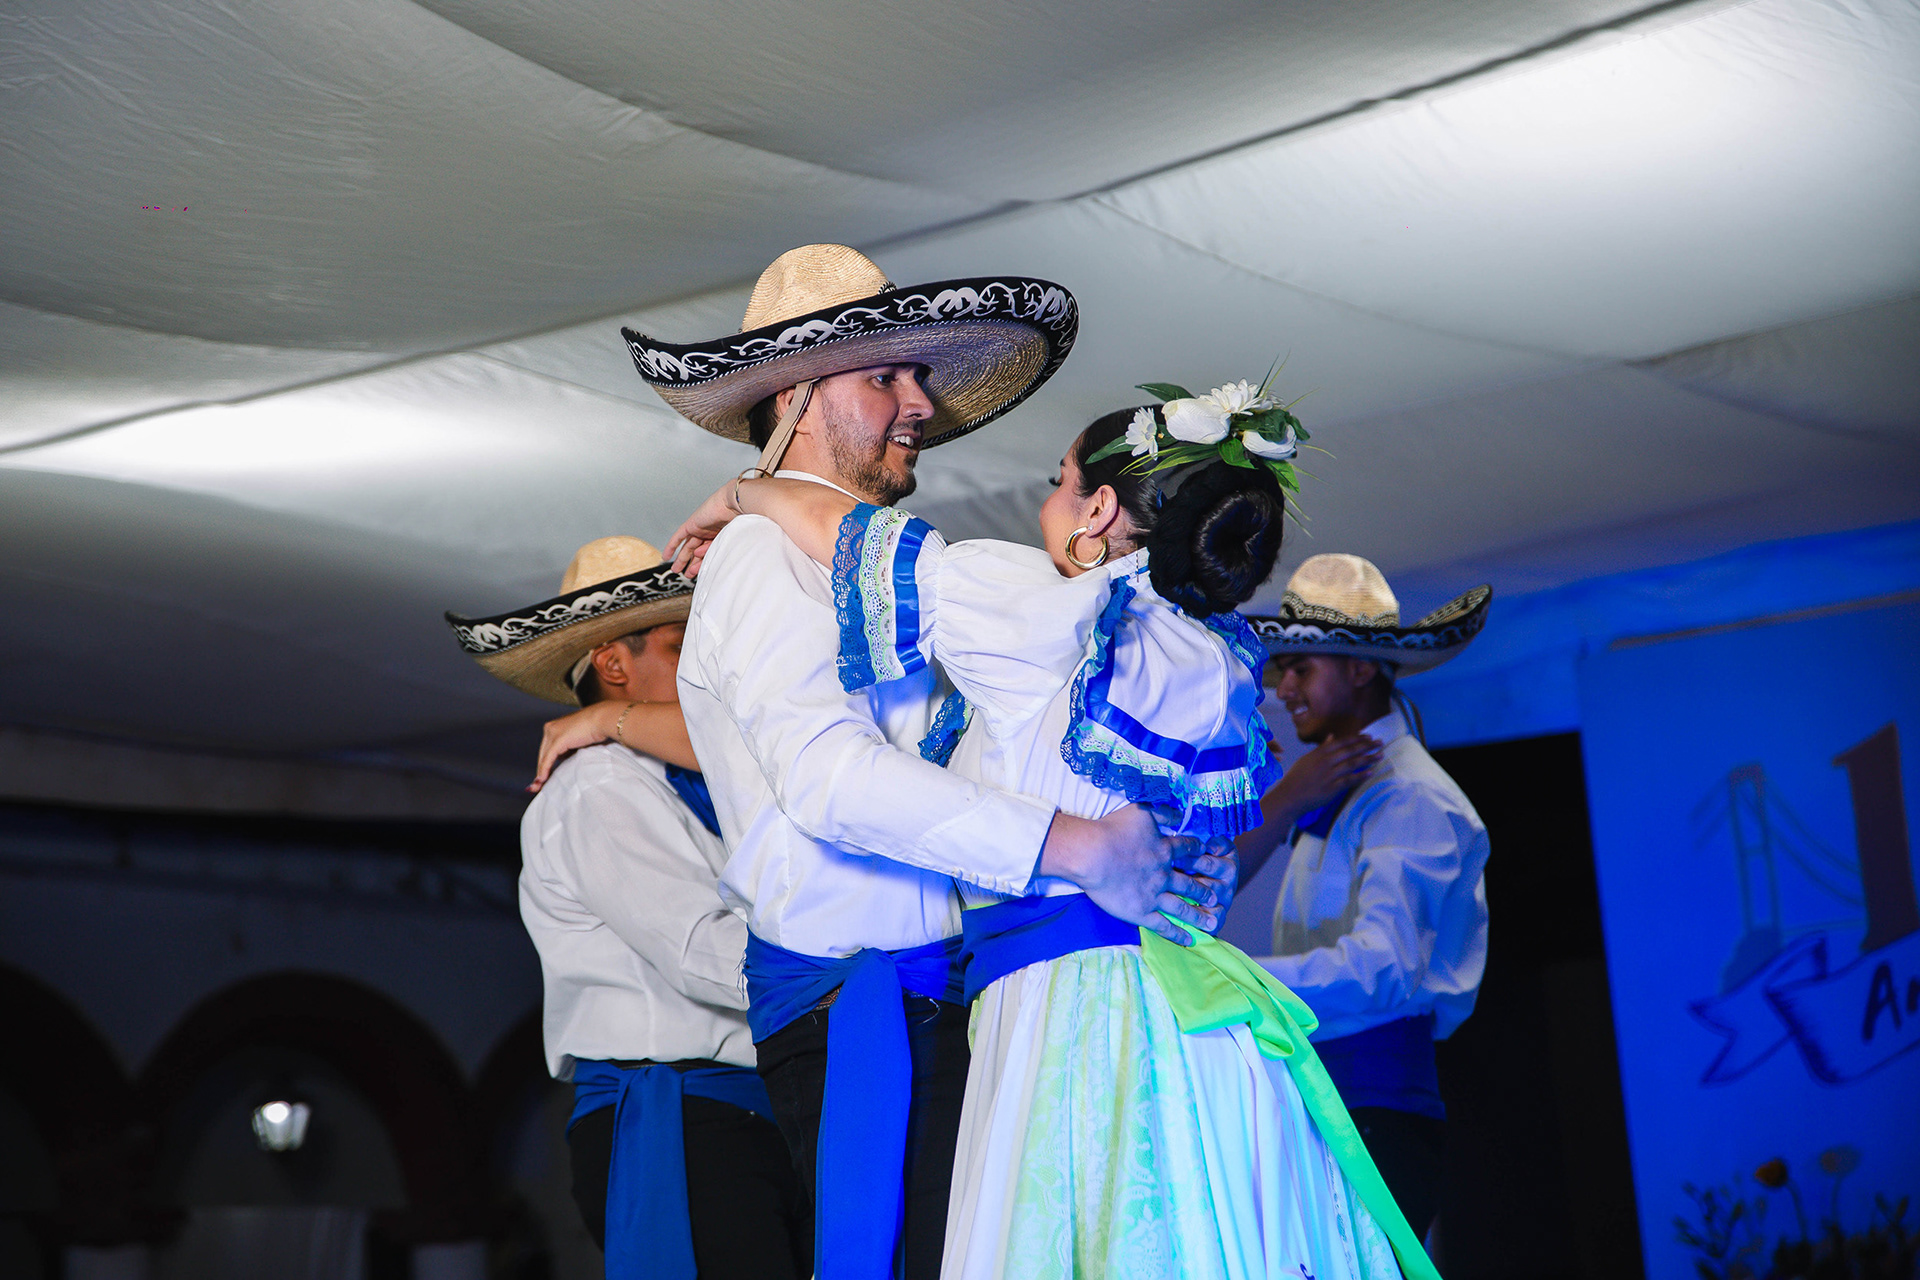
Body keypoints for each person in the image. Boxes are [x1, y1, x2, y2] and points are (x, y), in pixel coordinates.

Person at [536, 245, 1227, 1280]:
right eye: (886, 377)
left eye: (918, 374)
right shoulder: (761, 559)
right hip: (867, 1009)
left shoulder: (846, 551)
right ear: (799, 398)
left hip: (930, 1001)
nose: (920, 402)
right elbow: (826, 776)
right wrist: (1075, 844)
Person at [667, 388, 1442, 1280]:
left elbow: (854, 541)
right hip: (1177, 1001)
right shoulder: (1215, 654)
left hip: (1075, 1005)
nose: (1045, 503)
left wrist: (742, 494)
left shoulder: (1050, 614)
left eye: (1057, 482)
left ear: (1099, 511)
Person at [445, 536, 808, 1280]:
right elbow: (700, 950)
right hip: (680, 1113)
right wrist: (838, 984)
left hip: (724, 1109)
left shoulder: (683, 780)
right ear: (614, 664)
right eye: (680, 646)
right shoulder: (602, 784)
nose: (705, 663)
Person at [1239, 553, 1494, 1242]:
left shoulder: (1410, 796)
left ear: (1359, 669)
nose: (1284, 688)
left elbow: (1381, 967)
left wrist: (1240, 984)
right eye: (1281, 669)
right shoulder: (1341, 786)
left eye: (1301, 668)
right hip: (1335, 1100)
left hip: (1374, 1107)